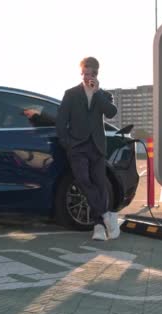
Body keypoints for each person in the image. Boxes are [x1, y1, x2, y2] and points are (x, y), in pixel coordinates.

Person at [56, 57, 120, 241]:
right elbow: (61, 122)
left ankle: (99, 226)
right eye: (84, 73)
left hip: (97, 146)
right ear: (80, 72)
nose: (86, 76)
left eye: (90, 73)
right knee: (83, 180)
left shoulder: (104, 95)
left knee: (100, 183)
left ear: (96, 74)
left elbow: (111, 113)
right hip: (77, 147)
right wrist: (67, 143)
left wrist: (97, 92)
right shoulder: (70, 94)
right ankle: (106, 215)